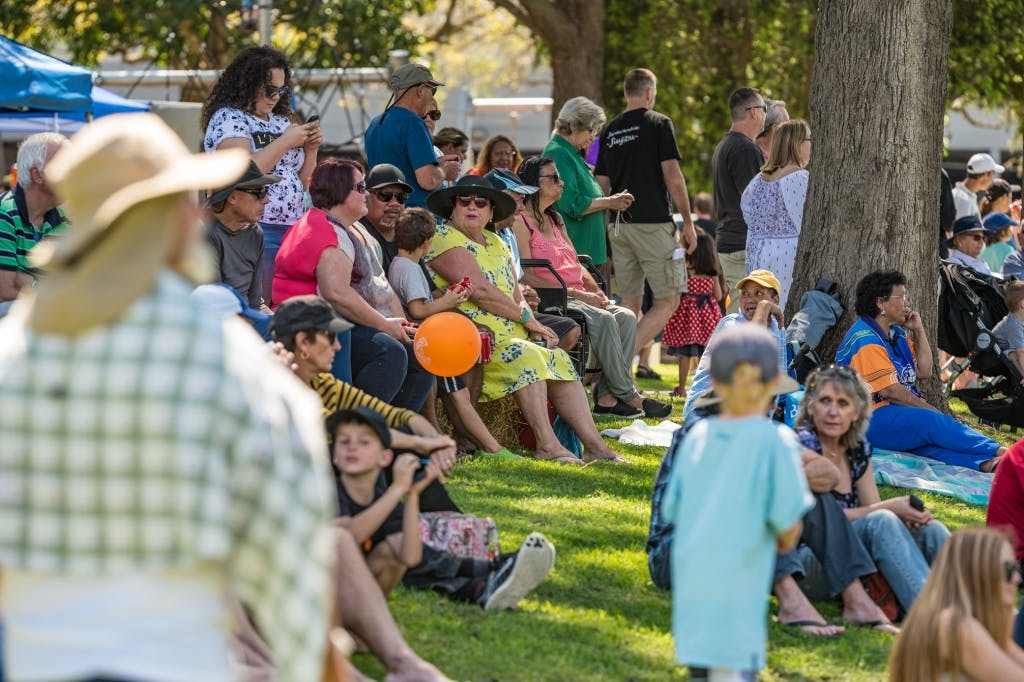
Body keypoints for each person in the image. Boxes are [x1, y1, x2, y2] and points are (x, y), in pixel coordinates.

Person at [0, 112, 336, 681]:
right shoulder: (228, 363)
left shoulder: (14, 357)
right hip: (177, 659)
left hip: (39, 659)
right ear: (180, 219)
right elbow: (291, 559)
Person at [425, 175, 626, 464]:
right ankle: (547, 445)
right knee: (529, 356)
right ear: (452, 207)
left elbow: (514, 290)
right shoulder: (445, 238)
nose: (473, 206)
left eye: (481, 201)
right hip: (473, 339)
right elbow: (480, 290)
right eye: (464, 200)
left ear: (492, 211)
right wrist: (527, 320)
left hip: (511, 334)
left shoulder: (495, 241)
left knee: (559, 359)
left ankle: (596, 447)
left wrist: (533, 323)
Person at [661, 325, 812, 681]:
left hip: (693, 595)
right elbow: (789, 526)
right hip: (738, 598)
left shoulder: (696, 436)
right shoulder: (776, 442)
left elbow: (674, 510)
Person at [331, 407, 556, 609]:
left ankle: (481, 585)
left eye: (364, 442)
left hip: (358, 590)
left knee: (402, 554)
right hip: (326, 585)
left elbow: (410, 557)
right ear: (333, 453)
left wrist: (412, 496)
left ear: (385, 457)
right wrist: (398, 490)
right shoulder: (326, 491)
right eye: (344, 442)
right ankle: (492, 568)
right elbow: (349, 535)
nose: (352, 447)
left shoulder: (380, 500)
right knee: (401, 558)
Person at [513, 155, 672, 419]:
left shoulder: (555, 219)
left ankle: (608, 398)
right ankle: (630, 395)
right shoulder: (521, 220)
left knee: (626, 316)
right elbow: (527, 274)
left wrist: (595, 291)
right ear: (534, 184)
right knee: (604, 319)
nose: (561, 183)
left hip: (578, 293)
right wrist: (579, 294)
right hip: (554, 296)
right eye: (554, 178)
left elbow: (576, 262)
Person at [274, 158, 433, 411]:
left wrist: (400, 324)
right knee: (390, 354)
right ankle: (354, 427)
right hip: (315, 326)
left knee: (420, 357)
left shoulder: (344, 227)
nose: (366, 194)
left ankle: (386, 438)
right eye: (360, 188)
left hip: (340, 323)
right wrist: (384, 325)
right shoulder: (326, 231)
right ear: (338, 191)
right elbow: (336, 293)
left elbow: (378, 283)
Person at [794, 365, 949, 616]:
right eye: (825, 401)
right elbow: (815, 524)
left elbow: (874, 515)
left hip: (849, 554)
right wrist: (890, 508)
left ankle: (973, 608)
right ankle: (930, 620)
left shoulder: (856, 451)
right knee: (882, 519)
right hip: (807, 562)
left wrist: (904, 517)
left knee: (931, 530)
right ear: (810, 406)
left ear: (856, 412)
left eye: (843, 403)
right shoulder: (799, 446)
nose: (833, 412)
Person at [835, 269, 1006, 471]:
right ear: (881, 303)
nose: (907, 302)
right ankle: (1001, 452)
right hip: (866, 420)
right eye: (902, 297)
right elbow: (892, 392)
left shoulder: (895, 332)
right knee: (930, 422)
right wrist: (931, 412)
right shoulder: (864, 338)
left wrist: (918, 329)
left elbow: (924, 371)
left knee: (927, 445)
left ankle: (988, 465)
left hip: (892, 413)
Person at [201, 46, 321, 305]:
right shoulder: (229, 118)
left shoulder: (280, 120)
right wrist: (287, 141)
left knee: (291, 309)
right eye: (269, 90)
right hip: (255, 227)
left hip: (294, 228)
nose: (275, 97)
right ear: (248, 84)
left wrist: (311, 151)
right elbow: (241, 172)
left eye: (281, 90)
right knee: (261, 303)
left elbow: (300, 182)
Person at [389, 207, 510, 458]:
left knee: (461, 390)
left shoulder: (405, 264)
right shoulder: (409, 269)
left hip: (426, 339)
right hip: (428, 343)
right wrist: (448, 303)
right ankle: (483, 445)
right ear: (427, 242)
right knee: (460, 394)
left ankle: (470, 441)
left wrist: (450, 297)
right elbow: (418, 309)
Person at [594, 68, 698, 358]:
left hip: (618, 227)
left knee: (629, 304)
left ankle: (621, 379)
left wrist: (605, 230)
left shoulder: (610, 130)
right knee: (669, 300)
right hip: (652, 224)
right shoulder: (658, 123)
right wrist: (688, 222)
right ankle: (618, 362)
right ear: (650, 93)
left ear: (628, 93)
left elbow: (601, 184)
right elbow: (673, 176)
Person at [888, 527, 1024, 682]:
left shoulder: (970, 622)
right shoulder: (957, 625)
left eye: (1016, 568)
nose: (1017, 578)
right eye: (1008, 569)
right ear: (977, 573)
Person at [682, 269, 789, 426]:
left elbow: (779, 374)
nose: (750, 299)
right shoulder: (730, 324)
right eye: (745, 294)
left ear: (776, 300)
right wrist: (764, 306)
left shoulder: (778, 328)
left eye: (758, 294)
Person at [543, 96, 632, 269]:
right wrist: (610, 202)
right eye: (591, 130)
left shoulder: (571, 153)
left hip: (588, 255)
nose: (593, 137)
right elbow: (572, 203)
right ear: (574, 125)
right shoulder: (558, 153)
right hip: (575, 256)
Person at [365, 63, 460, 208]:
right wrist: (446, 170)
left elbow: (399, 163)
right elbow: (427, 180)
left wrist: (436, 163)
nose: (432, 97)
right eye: (432, 90)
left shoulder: (375, 123)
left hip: (381, 212)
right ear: (421, 90)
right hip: (413, 218)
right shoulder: (413, 123)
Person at [740, 118, 811, 310]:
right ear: (797, 144)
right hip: (785, 257)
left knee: (760, 310)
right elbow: (806, 221)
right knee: (782, 309)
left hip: (757, 253)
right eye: (809, 140)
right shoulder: (800, 178)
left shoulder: (759, 179)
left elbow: (746, 209)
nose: (811, 145)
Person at [711, 86, 769, 313]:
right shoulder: (744, 148)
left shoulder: (725, 145)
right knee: (743, 314)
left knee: (740, 310)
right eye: (764, 109)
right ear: (754, 112)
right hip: (742, 243)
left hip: (731, 241)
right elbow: (756, 202)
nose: (766, 115)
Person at [0, 132, 68, 304]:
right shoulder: (4, 212)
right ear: (37, 175)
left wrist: (27, 281)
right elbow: (4, 292)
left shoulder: (66, 217)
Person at [205, 159, 282, 310]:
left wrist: (276, 326)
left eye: (266, 191)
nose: (266, 200)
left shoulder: (255, 233)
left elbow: (255, 301)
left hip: (246, 317)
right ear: (232, 197)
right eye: (259, 193)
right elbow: (216, 304)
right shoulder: (204, 233)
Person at [662, 230, 723, 397]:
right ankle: (708, 387)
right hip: (708, 316)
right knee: (707, 352)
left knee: (685, 353)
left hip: (687, 316)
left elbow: (678, 291)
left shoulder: (686, 270)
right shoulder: (713, 273)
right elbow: (718, 296)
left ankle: (681, 387)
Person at [359, 163, 414, 272]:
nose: (394, 203)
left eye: (401, 197)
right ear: (366, 196)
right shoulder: (358, 235)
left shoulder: (407, 237)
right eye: (385, 195)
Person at [952, 153, 1004, 220]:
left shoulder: (965, 196)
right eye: (993, 174)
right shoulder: (963, 200)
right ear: (985, 174)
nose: (992, 179)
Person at [992, 280, 1024, 379]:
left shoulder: (1020, 318)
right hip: (995, 354)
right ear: (1023, 303)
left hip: (1012, 347)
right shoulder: (1013, 325)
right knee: (1014, 355)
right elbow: (1021, 353)